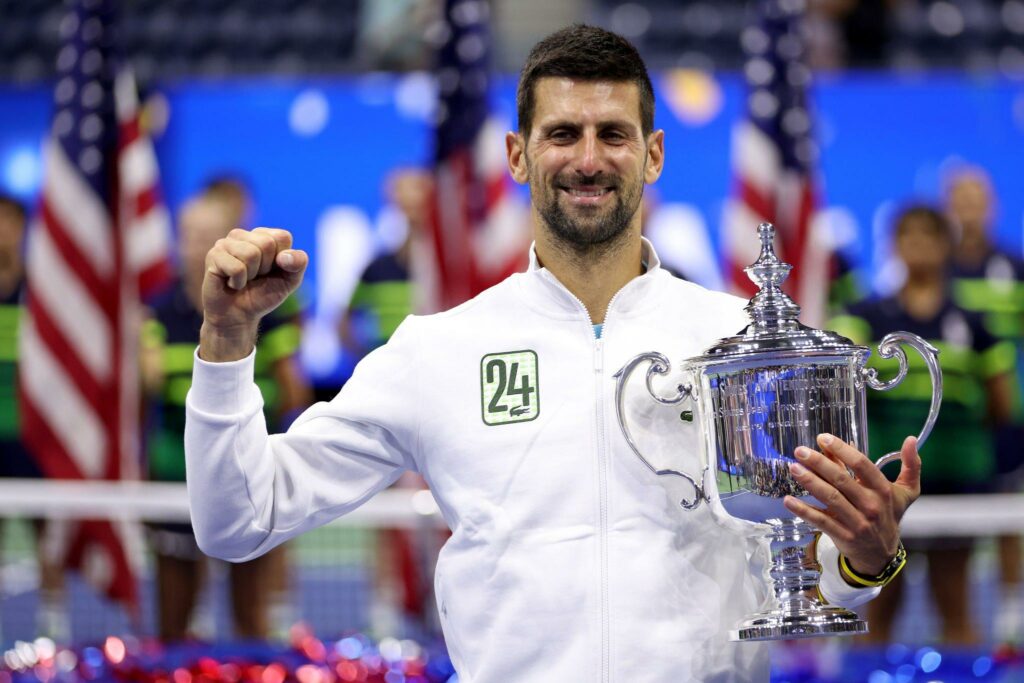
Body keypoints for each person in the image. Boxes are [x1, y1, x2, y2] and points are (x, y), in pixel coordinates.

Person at [185, 26, 919, 681]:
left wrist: (865, 555)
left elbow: (807, 563)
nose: (589, 159)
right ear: (518, 155)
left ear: (654, 154)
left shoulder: (740, 341)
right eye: (563, 133)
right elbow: (237, 518)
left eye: (614, 134)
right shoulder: (439, 349)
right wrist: (226, 342)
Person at [831, 204, 1015, 644]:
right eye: (908, 237)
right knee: (880, 604)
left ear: (945, 245)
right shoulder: (866, 316)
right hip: (883, 483)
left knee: (955, 599)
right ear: (894, 246)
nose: (918, 247)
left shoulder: (974, 322)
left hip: (958, 482)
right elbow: (839, 383)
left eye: (928, 237)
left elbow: (1002, 404)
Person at [142, 193, 309, 640]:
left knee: (250, 619)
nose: (196, 246)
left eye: (205, 236)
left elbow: (294, 388)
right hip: (174, 477)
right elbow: (145, 384)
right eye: (188, 236)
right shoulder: (157, 310)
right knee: (173, 624)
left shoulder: (269, 309)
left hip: (249, 472)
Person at [944, 166, 1024, 643]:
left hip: (1008, 417)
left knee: (1009, 514)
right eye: (961, 198)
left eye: (978, 198)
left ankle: (1013, 620)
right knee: (951, 538)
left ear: (990, 205)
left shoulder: (1013, 267)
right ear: (950, 206)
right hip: (959, 422)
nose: (970, 207)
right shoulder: (936, 270)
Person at [0, 195, 68, 642]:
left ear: (23, 230)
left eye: (9, 224)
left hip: (34, 444)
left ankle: (53, 632)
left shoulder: (46, 294)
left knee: (51, 542)